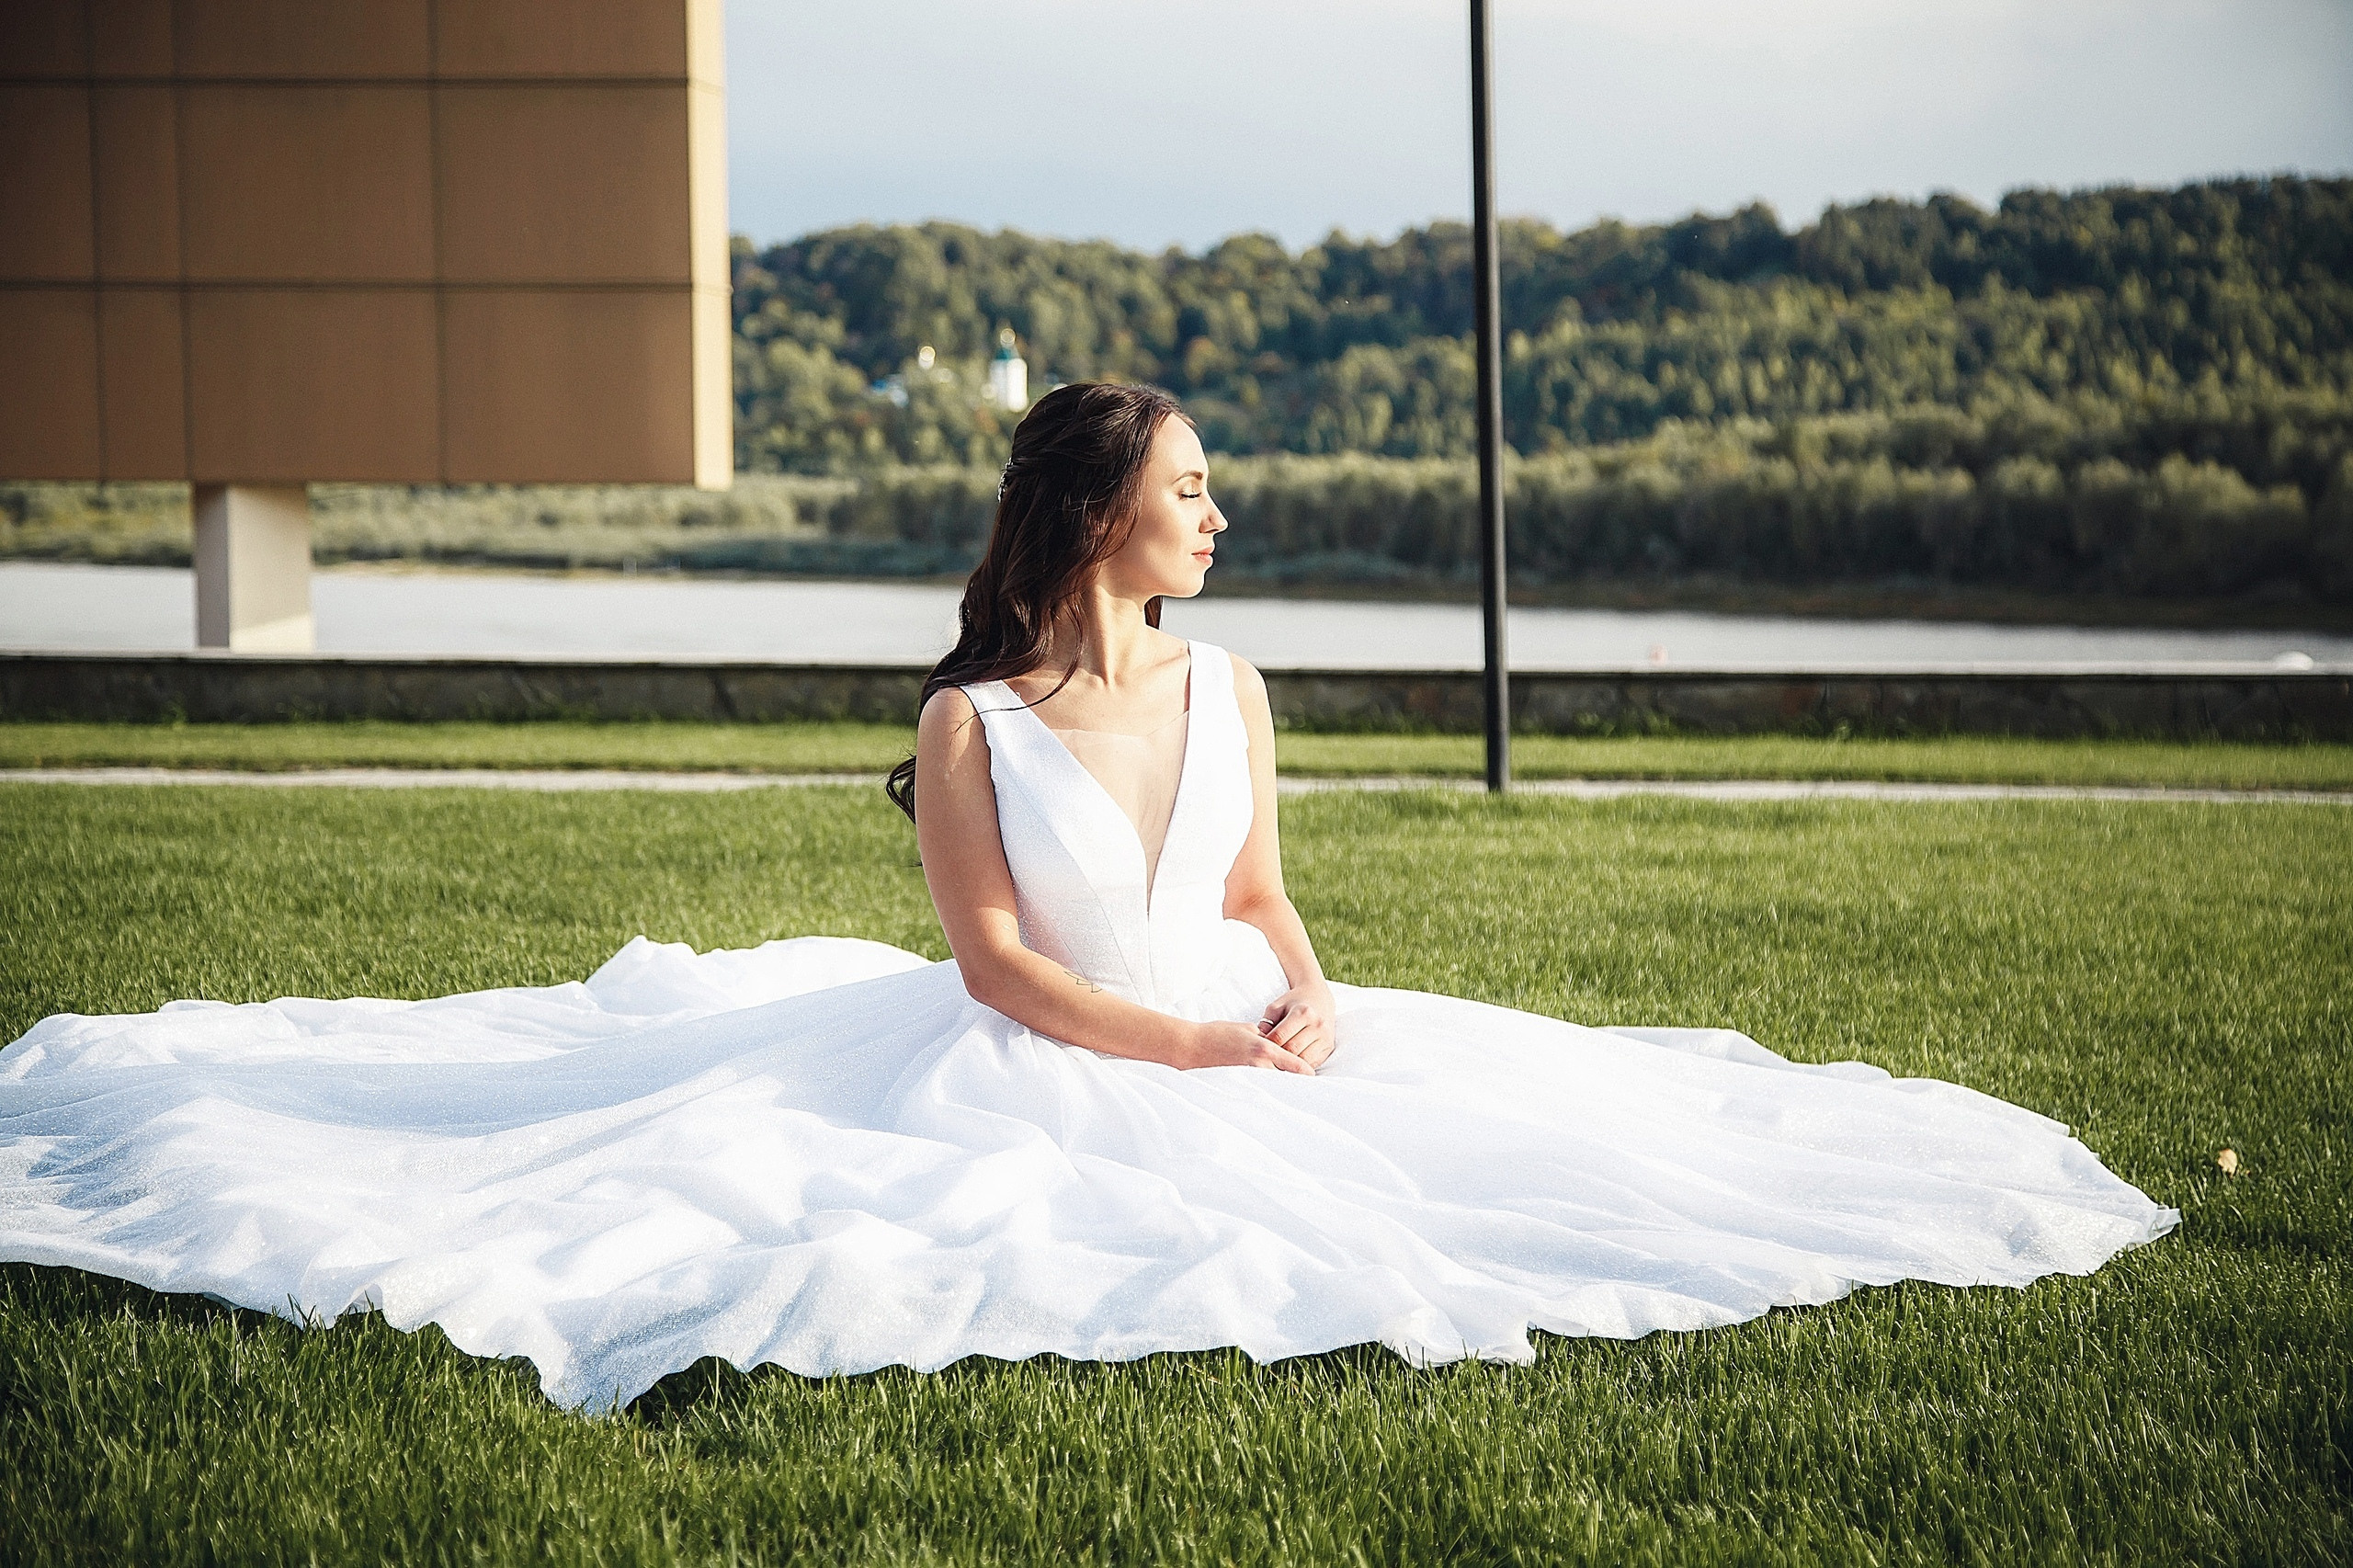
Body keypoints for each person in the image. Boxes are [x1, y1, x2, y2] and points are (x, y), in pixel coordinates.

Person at [0, 383, 2176, 1412]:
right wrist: (1194, 1046)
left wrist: (1304, 1002)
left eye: (1211, 488)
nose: (1216, 516)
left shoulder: (1232, 682)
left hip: (1239, 1034)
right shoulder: (968, 722)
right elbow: (1000, 967)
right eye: (1187, 486)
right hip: (1042, 1058)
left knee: (1617, 1162)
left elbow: (1259, 886)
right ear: (1092, 511)